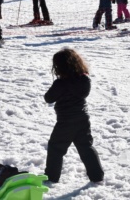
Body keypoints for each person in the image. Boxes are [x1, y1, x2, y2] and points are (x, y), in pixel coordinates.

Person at [43, 48, 105, 186]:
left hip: (65, 121)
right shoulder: (84, 80)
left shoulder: (60, 83)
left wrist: (58, 87)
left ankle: (51, 177)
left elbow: (48, 98)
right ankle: (97, 176)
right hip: (83, 118)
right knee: (86, 147)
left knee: (55, 148)